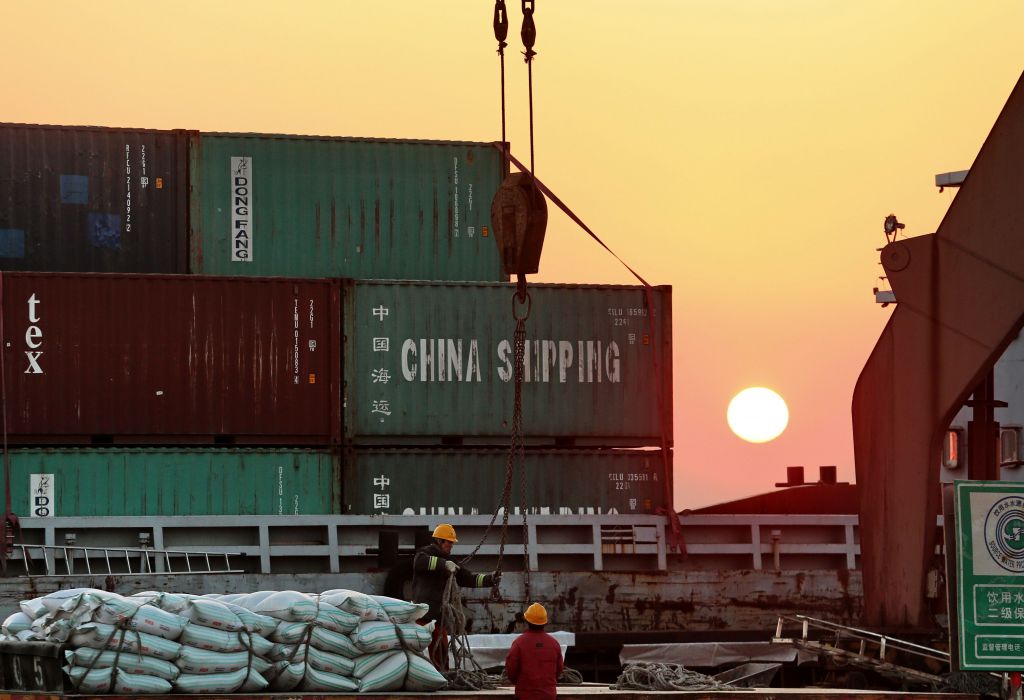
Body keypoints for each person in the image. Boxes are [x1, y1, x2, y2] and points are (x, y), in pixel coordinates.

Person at [412, 523, 501, 669]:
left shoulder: (451, 562)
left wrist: (490, 579)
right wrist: (443, 564)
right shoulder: (424, 554)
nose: (451, 545)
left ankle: (442, 676)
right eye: (449, 542)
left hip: (438, 616)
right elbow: (419, 563)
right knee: (416, 648)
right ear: (440, 541)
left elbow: (467, 578)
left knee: (441, 650)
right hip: (422, 615)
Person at [506, 603, 563, 700]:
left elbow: (511, 671)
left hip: (524, 696)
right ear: (545, 622)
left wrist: (522, 684)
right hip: (548, 696)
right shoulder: (554, 644)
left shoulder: (519, 643)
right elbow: (559, 670)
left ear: (527, 621)